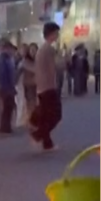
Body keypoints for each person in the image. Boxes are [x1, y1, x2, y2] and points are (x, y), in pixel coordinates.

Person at [30, 22, 63, 152]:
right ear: (52, 33)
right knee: (56, 115)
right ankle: (38, 135)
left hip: (42, 87)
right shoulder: (49, 49)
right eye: (56, 32)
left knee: (45, 115)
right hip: (48, 87)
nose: (58, 35)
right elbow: (54, 67)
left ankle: (47, 143)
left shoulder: (41, 49)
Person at [0, 42, 18, 134]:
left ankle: (6, 126)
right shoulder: (3, 60)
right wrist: (8, 88)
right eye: (10, 49)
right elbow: (3, 75)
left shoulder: (7, 59)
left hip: (7, 87)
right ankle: (5, 127)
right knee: (7, 107)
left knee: (8, 107)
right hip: (6, 88)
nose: (11, 51)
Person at [20, 43, 39, 120]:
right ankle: (31, 119)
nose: (33, 52)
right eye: (32, 50)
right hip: (28, 85)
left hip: (37, 85)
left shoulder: (37, 60)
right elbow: (34, 69)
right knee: (31, 103)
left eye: (35, 50)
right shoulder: (25, 61)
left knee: (36, 103)